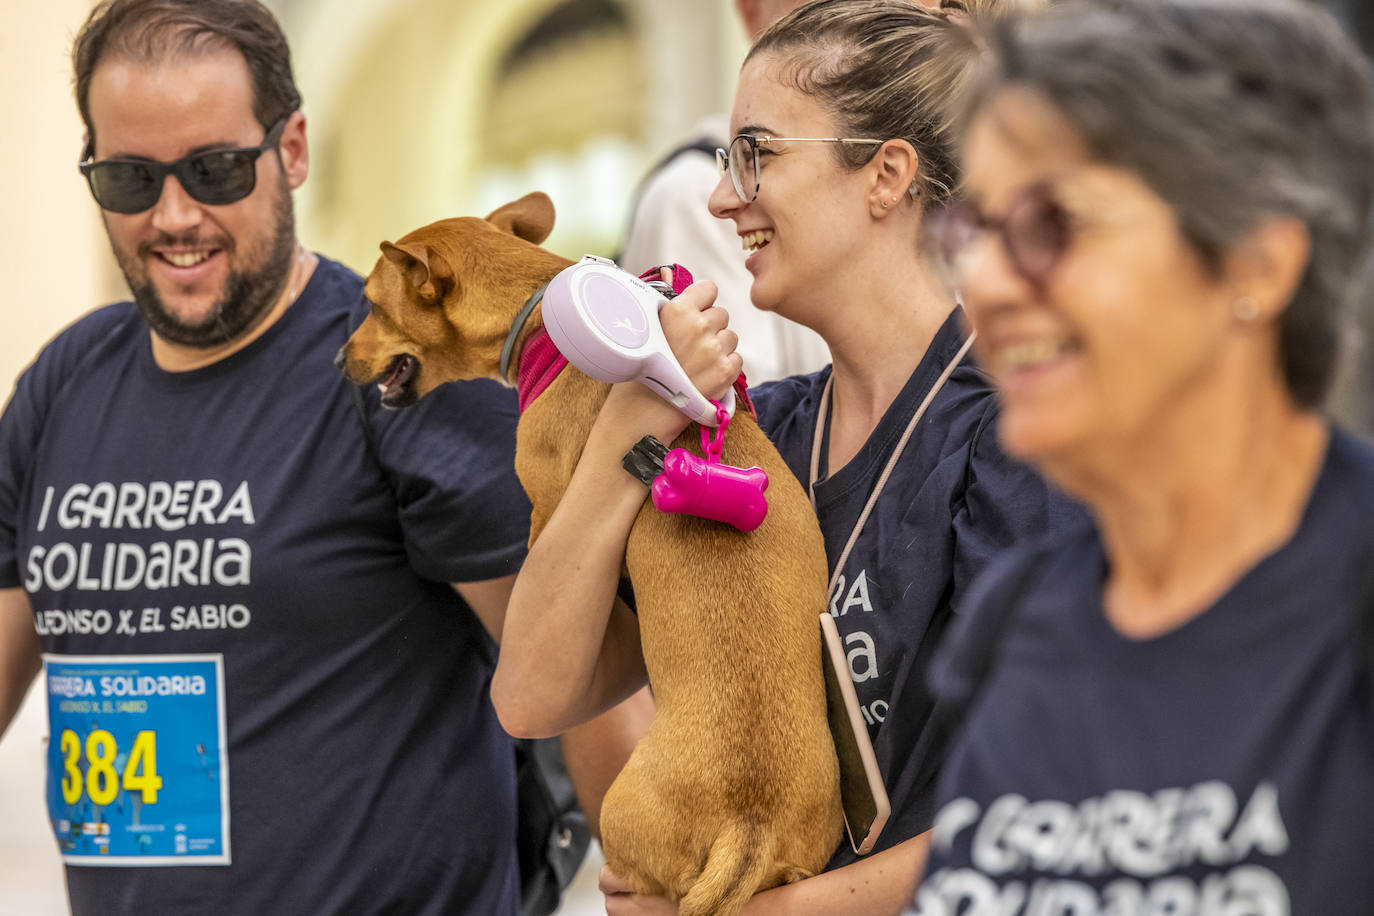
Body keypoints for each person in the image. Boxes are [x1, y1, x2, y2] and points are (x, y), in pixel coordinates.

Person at [0, 1, 638, 913]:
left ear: (292, 150)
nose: (173, 215)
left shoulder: (399, 378)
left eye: (214, 170)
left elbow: (585, 687)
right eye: (130, 179)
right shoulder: (64, 383)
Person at [491, 2, 1073, 912]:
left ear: (886, 175)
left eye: (756, 154)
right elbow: (533, 694)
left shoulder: (1019, 433)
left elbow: (1042, 805)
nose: (723, 197)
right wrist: (629, 426)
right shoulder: (754, 436)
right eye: (728, 161)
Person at [912, 0, 1374, 911]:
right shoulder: (1015, 619)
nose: (989, 286)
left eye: (1052, 225)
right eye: (978, 232)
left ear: (1255, 263)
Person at [618, 0, 830, 383]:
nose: (721, 201)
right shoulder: (689, 197)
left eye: (761, 152)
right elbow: (734, 423)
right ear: (751, 13)